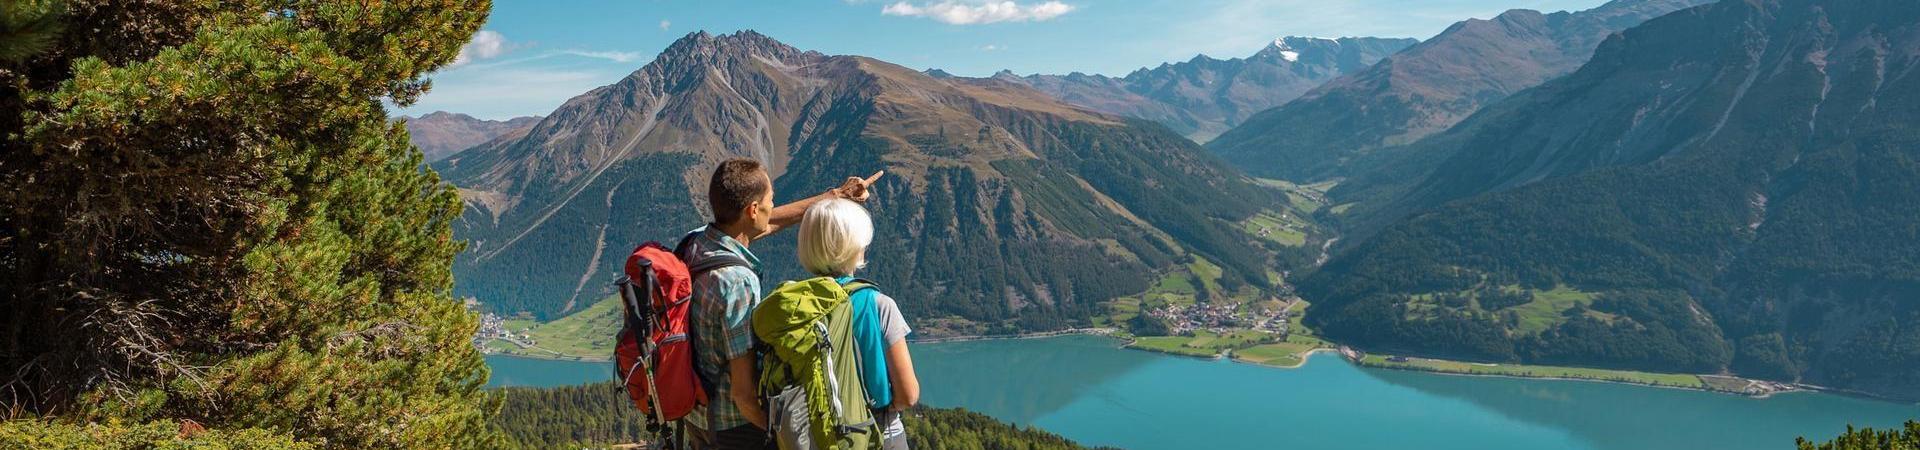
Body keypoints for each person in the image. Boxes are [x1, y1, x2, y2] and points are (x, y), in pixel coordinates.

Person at [680, 158, 881, 450]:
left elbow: (767, 223)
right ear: (752, 210)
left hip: (698, 417)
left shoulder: (698, 243)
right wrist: (784, 432)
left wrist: (836, 196)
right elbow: (743, 394)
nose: (773, 208)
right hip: (734, 427)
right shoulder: (737, 282)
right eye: (770, 201)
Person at [795, 198, 920, 449]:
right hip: (878, 433)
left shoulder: (796, 306)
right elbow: (908, 394)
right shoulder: (879, 305)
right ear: (853, 246)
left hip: (816, 437)